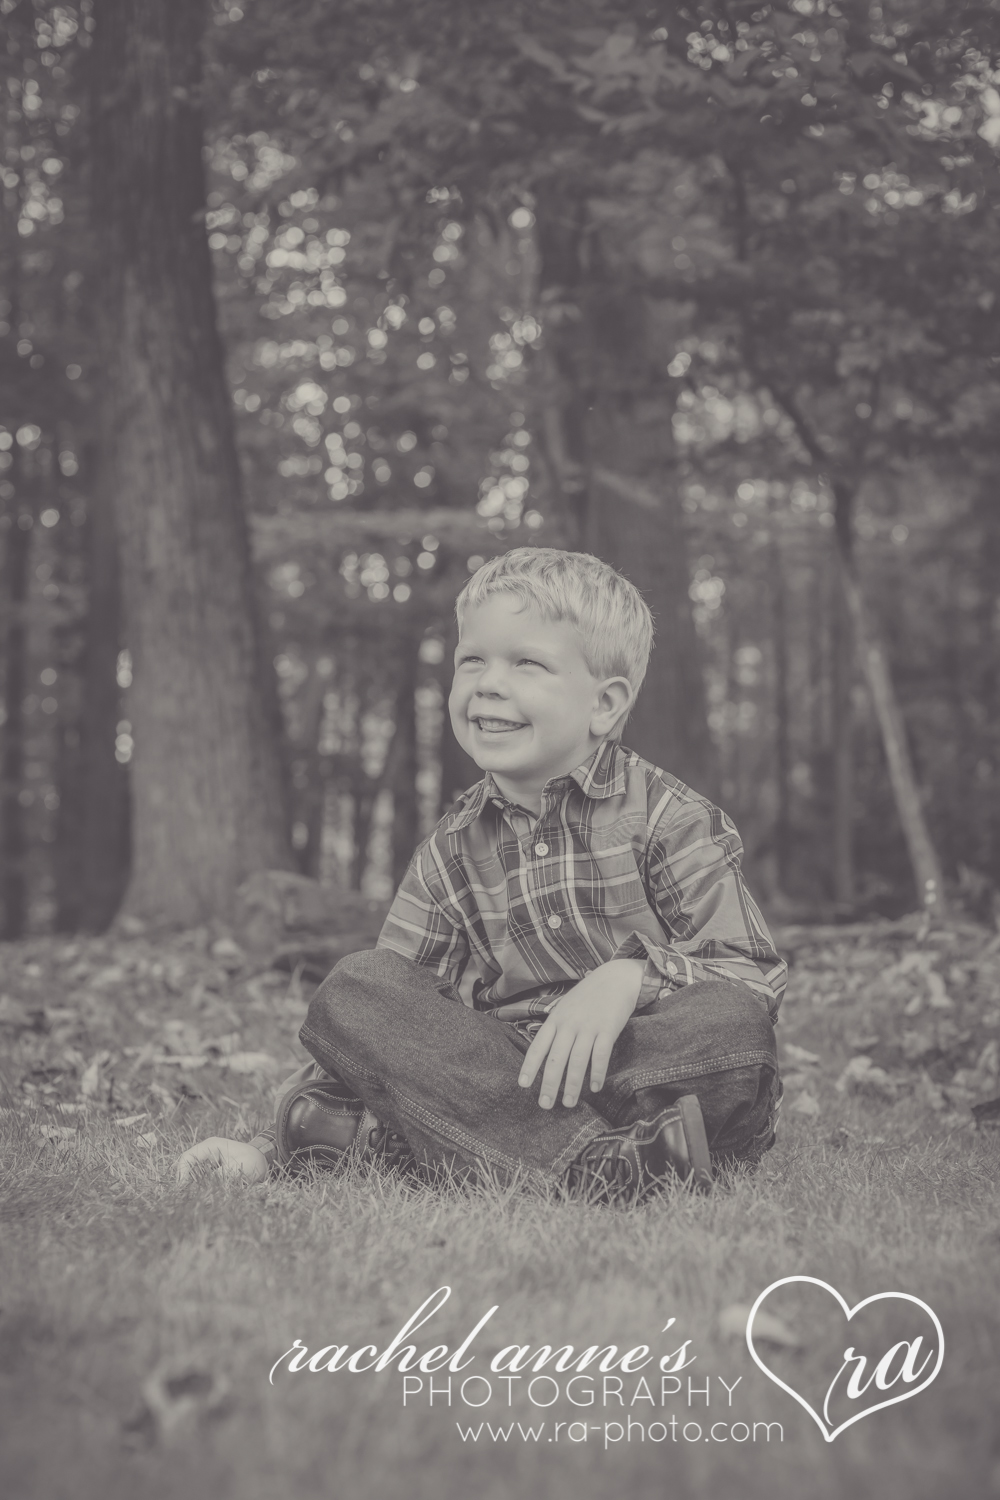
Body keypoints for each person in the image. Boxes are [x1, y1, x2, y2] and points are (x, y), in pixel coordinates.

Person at [176, 548, 785, 1203]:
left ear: (604, 705)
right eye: (473, 661)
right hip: (504, 1076)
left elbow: (751, 974)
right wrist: (265, 1148)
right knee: (359, 987)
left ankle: (442, 1147)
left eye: (526, 663)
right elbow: (383, 1026)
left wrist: (629, 977)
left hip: (640, 1071)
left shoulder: (668, 817)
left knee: (732, 1027)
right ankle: (597, 1168)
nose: (488, 683)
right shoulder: (450, 851)